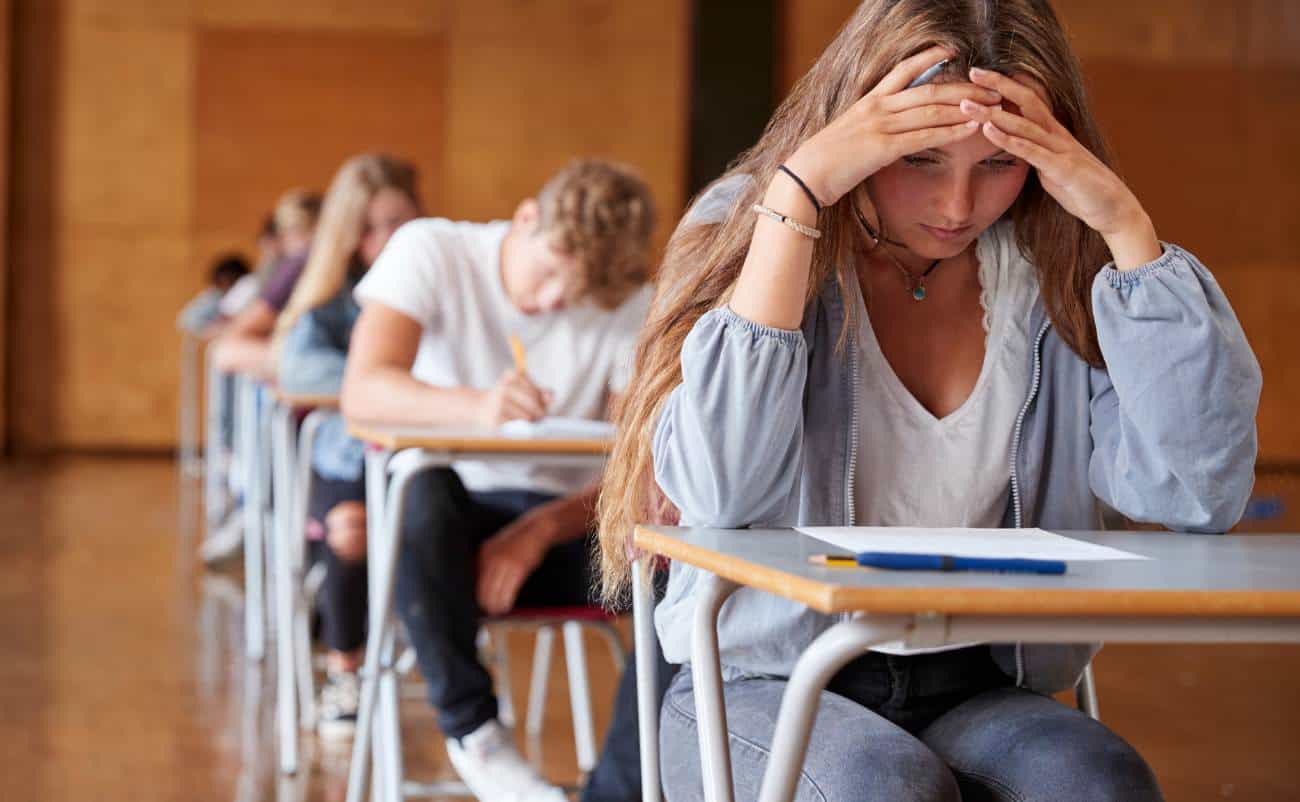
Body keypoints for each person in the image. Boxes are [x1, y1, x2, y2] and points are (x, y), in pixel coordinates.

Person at [595, 2, 1262, 801]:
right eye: (919, 159)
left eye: (997, 166)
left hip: (979, 682)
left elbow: (1195, 493)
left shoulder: (1059, 269)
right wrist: (798, 197)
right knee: (884, 785)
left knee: (1101, 782)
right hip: (758, 682)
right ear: (854, 129)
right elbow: (717, 494)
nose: (957, 206)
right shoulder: (753, 225)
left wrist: (1124, 226)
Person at [342, 160, 664, 802]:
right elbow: (362, 392)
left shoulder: (628, 299)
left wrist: (538, 531)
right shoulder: (432, 249)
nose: (550, 304)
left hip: (567, 524)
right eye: (548, 274)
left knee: (676, 563)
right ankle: (476, 734)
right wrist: (474, 405)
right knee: (422, 491)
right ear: (524, 218)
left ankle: (619, 792)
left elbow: (639, 468)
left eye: (576, 296)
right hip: (444, 541)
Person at [275, 153, 422, 739]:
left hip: (423, 449)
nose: (387, 238)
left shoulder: (431, 278)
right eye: (372, 226)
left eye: (398, 221)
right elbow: (298, 369)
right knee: (353, 527)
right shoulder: (332, 298)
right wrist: (385, 381)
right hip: (348, 455)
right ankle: (345, 669)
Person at [201, 190, 322, 565]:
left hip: (311, 382)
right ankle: (251, 506)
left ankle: (251, 507)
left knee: (266, 402)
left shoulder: (300, 262)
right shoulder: (292, 265)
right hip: (303, 375)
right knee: (262, 399)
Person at [176, 253, 251, 335]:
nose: (226, 285)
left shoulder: (248, 293)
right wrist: (216, 329)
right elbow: (186, 321)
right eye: (223, 282)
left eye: (230, 281)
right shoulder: (215, 296)